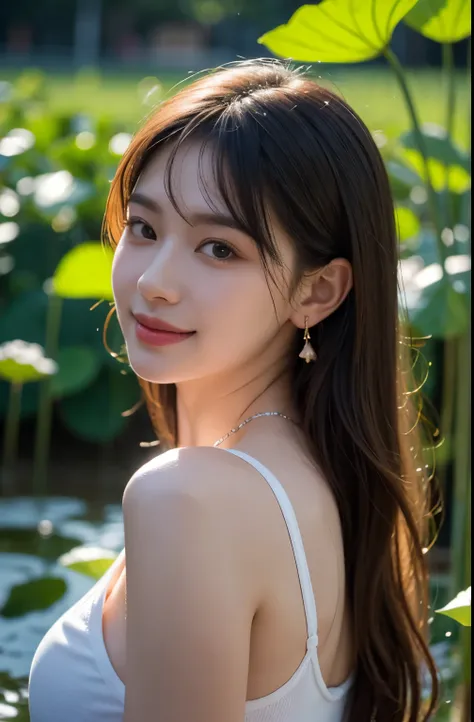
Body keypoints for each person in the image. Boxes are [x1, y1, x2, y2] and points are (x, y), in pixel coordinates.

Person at [28, 58, 439, 722]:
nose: (156, 280)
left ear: (318, 291)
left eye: (219, 249)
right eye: (144, 227)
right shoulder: (332, 481)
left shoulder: (188, 498)